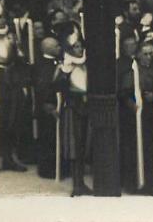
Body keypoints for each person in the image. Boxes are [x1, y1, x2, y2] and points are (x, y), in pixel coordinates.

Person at [118, 42, 153, 194]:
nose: (149, 57)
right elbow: (124, 92)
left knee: (151, 148)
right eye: (145, 53)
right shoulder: (132, 70)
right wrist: (131, 103)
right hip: (135, 116)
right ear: (138, 54)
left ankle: (150, 182)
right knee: (134, 148)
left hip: (151, 115)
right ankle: (133, 182)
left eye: (151, 53)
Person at [54, 24, 92, 196]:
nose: (79, 49)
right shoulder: (66, 66)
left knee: (84, 145)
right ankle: (77, 184)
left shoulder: (87, 64)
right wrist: (64, 71)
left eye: (80, 46)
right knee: (75, 146)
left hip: (86, 107)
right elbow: (57, 86)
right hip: (73, 108)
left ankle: (81, 182)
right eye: (75, 46)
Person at [0, 28, 28, 173]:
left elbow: (17, 60)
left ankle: (10, 157)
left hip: (11, 85)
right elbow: (4, 59)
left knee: (11, 121)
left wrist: (14, 45)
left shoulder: (12, 40)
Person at [33, 37, 63, 179]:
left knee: (54, 137)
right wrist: (47, 104)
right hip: (47, 106)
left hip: (55, 104)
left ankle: (56, 166)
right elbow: (42, 86)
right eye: (56, 46)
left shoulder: (56, 62)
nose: (59, 48)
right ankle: (46, 169)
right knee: (47, 138)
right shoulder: (42, 64)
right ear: (48, 48)